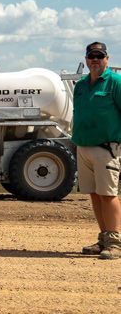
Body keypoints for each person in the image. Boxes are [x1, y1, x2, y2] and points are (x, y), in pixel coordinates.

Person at [72, 42, 121, 260]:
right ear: (86, 59)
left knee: (108, 194)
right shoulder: (81, 84)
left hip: (107, 148)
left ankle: (115, 242)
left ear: (107, 59)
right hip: (84, 147)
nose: (95, 59)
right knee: (94, 194)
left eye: (99, 56)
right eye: (92, 56)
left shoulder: (115, 82)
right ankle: (103, 239)